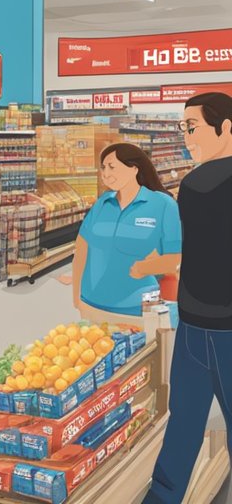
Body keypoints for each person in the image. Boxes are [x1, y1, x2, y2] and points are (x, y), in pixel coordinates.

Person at [145, 92, 232, 504]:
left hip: (203, 325)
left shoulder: (193, 184)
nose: (185, 137)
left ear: (226, 128)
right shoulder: (193, 182)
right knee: (187, 422)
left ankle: (163, 497)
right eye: (183, 127)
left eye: (191, 126)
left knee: (184, 423)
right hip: (203, 325)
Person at [71, 143, 181, 327]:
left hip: (140, 310)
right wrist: (77, 299)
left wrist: (147, 267)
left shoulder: (163, 204)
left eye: (112, 167)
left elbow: (177, 259)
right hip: (93, 307)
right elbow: (81, 251)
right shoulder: (102, 204)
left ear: (134, 169)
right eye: (103, 168)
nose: (106, 173)